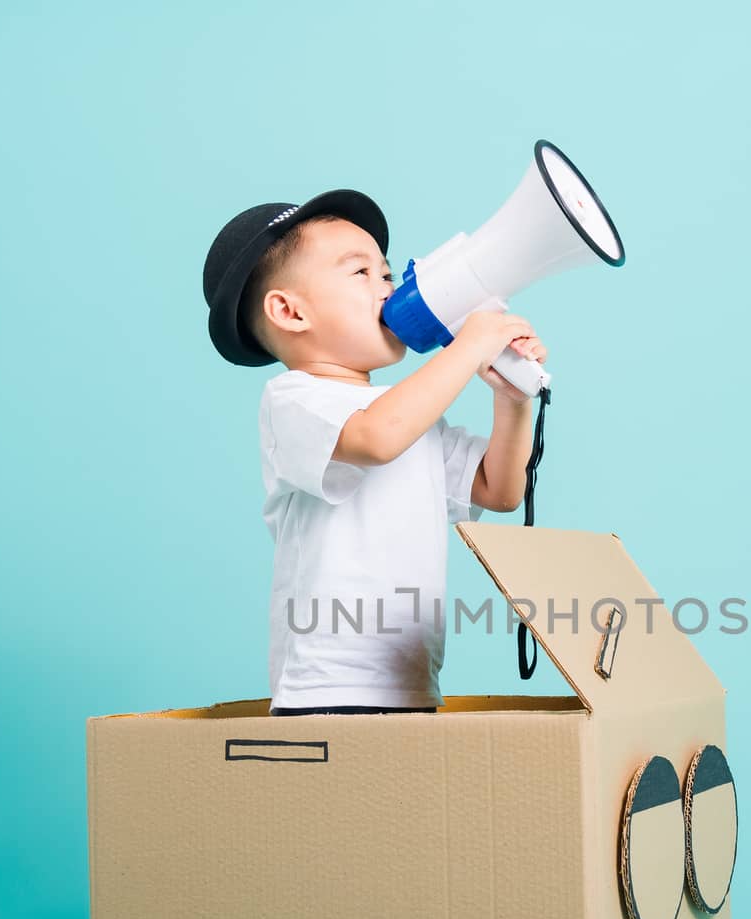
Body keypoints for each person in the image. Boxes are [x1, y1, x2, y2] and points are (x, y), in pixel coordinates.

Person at [202, 190, 545, 715]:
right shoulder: (294, 401)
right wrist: (469, 345)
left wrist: (511, 399)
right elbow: (377, 438)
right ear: (289, 311)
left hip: (411, 684)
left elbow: (499, 490)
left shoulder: (408, 410)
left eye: (386, 274)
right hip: (326, 690)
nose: (386, 288)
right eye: (360, 273)